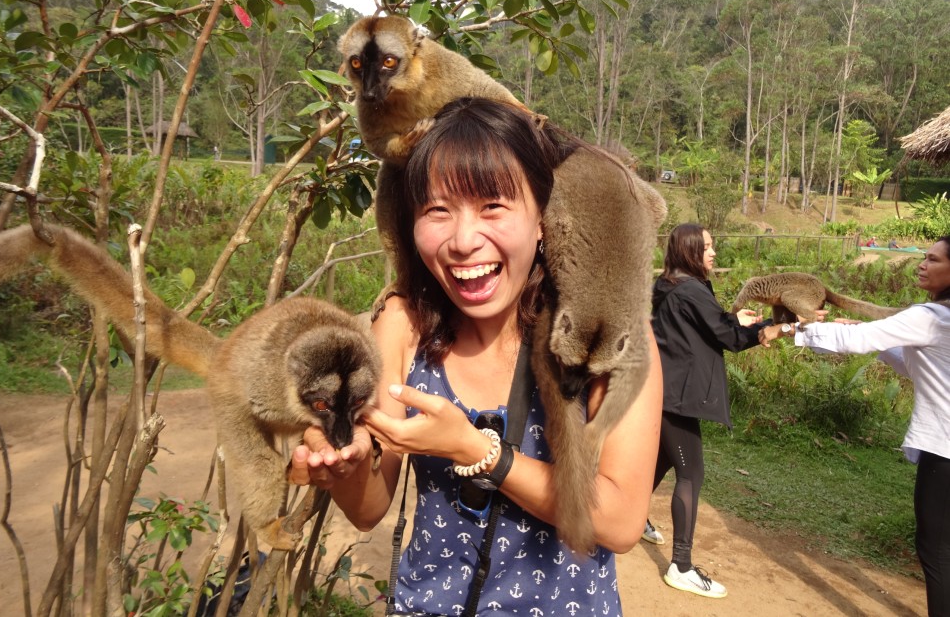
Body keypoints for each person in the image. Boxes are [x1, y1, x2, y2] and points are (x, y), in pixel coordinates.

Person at [288, 97, 663, 616]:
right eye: (437, 210)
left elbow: (621, 522)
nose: (464, 241)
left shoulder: (605, 334)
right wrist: (346, 460)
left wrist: (476, 451)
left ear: (543, 220)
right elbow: (368, 509)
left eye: (493, 206)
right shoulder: (403, 326)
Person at [760, 236, 950, 617]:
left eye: (932, 259)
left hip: (944, 451)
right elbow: (913, 366)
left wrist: (790, 331)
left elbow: (855, 340)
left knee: (936, 551)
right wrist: (877, 341)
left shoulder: (930, 317)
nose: (922, 263)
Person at [647, 223, 770, 599]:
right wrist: (769, 328)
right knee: (691, 474)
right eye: (707, 247)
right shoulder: (692, 290)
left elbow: (702, 327)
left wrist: (736, 320)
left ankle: (624, 516)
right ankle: (681, 566)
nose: (713, 252)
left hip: (662, 388)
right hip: (677, 398)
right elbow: (728, 338)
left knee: (662, 462)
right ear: (689, 251)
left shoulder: (667, 283)